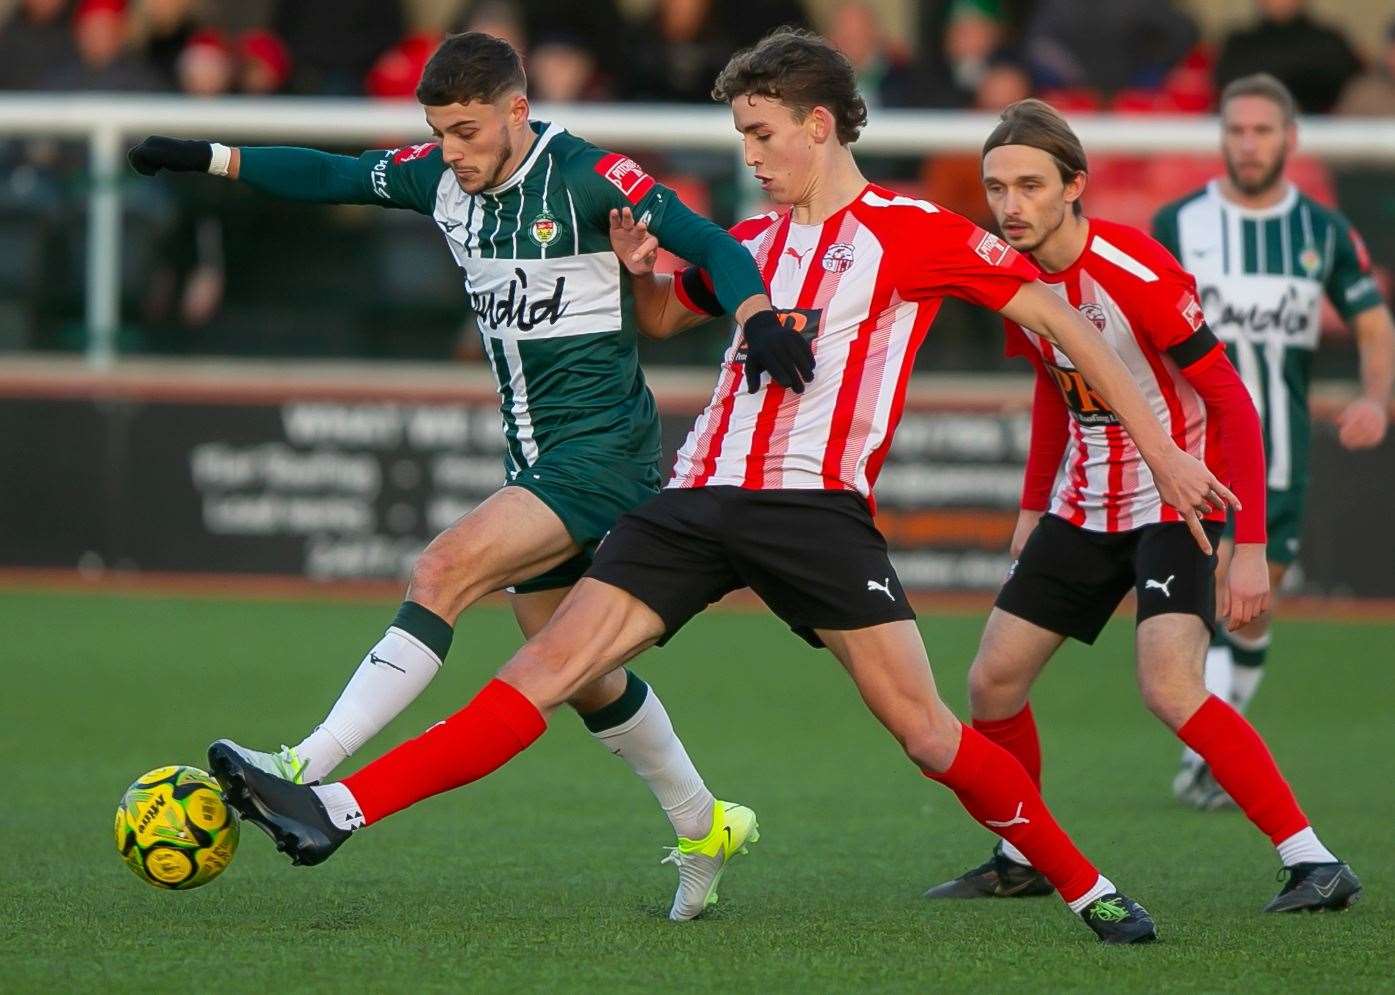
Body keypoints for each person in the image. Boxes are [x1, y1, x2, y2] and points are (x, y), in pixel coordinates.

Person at [208, 28, 1245, 944]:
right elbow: (664, 320)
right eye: (741, 136)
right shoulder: (749, 242)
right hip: (694, 498)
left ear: (823, 124)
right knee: (547, 663)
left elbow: (1062, 324)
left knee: (929, 729)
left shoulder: (915, 230)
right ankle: (335, 808)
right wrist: (641, 271)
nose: (748, 157)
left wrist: (1159, 451)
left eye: (762, 134)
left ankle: (1086, 884)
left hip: (815, 514)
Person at [127, 31, 784, 921]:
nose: (454, 152)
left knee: (443, 566)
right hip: (537, 456)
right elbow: (327, 173)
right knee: (579, 670)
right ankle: (704, 823)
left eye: (469, 131)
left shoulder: (589, 176)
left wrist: (757, 314)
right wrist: (208, 156)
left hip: (604, 457)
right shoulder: (439, 178)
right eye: (439, 132)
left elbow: (711, 240)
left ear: (518, 110)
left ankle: (300, 767)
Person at [923, 98, 1361, 914]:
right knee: (991, 684)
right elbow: (1055, 388)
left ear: (1074, 187)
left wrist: (1250, 544)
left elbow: (1231, 403)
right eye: (995, 187)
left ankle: (1314, 861)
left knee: (1169, 687)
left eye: (1028, 185)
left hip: (1174, 503)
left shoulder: (1135, 271)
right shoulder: (1009, 277)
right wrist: (1030, 504)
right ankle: (1021, 850)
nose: (1009, 205)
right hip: (1082, 504)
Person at [1153, 74, 1394, 808]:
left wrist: (1376, 396)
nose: (1248, 144)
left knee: (1251, 603)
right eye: (1235, 131)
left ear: (1288, 139)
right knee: (1207, 599)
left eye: (1262, 131)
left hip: (1277, 450)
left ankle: (1212, 743)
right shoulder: (1177, 223)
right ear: (1221, 139)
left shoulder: (1320, 231)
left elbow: (1372, 321)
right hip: (1190, 449)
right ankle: (1208, 750)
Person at [1215, 0, 1362, 115]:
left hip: (1319, 139)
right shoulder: (1240, 42)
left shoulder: (1328, 39)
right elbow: (1229, 81)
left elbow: (1347, 78)